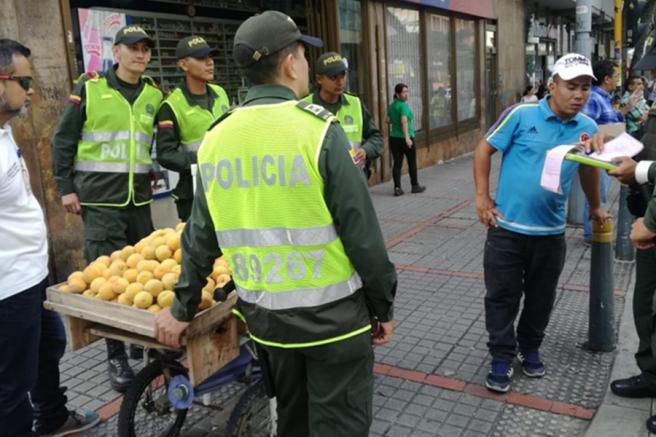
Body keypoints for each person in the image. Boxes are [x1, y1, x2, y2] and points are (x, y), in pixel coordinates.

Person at [153, 11, 397, 437]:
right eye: (302, 55)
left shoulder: (216, 139)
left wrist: (182, 308)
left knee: (292, 422)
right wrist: (383, 305)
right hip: (335, 324)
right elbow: (362, 236)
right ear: (289, 63)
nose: (304, 64)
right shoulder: (318, 132)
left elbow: (199, 238)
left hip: (268, 327)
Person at [473, 53, 609, 393]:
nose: (579, 95)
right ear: (552, 86)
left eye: (585, 88)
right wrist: (482, 198)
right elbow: (483, 149)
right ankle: (501, 357)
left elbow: (589, 170)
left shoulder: (587, 128)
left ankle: (529, 347)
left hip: (550, 234)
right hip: (506, 231)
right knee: (502, 297)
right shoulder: (521, 114)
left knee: (541, 298)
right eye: (571, 86)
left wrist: (595, 206)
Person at [52, 25, 164, 392]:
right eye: (133, 48)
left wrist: (153, 170)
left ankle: (140, 340)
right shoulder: (90, 88)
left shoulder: (153, 93)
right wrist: (66, 188)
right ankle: (115, 355)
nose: (141, 54)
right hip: (100, 201)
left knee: (143, 274)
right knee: (106, 278)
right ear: (116, 52)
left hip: (139, 201)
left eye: (146, 49)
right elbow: (64, 139)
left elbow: (148, 143)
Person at [0, 38, 99, 437]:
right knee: (11, 385)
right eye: (24, 82)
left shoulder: (5, 130)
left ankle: (53, 417)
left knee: (48, 348)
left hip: (30, 274)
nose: (31, 91)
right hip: (8, 288)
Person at [156, 36, 230, 221]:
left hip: (228, 183)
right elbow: (165, 154)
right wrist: (200, 159)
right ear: (183, 64)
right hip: (195, 192)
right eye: (201, 58)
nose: (210, 63)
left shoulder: (220, 93)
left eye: (210, 57)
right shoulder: (172, 105)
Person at [301, 51, 383, 181]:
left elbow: (376, 137)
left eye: (343, 75)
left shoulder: (355, 104)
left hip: (352, 180)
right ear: (319, 79)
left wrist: (365, 150)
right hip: (318, 182)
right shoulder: (304, 106)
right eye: (333, 77)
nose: (340, 82)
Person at [387, 83, 425, 196]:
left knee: (397, 163)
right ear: (397, 94)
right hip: (406, 138)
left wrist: (395, 122)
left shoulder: (392, 105)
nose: (406, 94)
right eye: (404, 92)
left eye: (407, 92)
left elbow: (387, 120)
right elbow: (404, 121)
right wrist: (407, 138)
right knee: (411, 162)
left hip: (394, 138)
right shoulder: (403, 106)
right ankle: (415, 186)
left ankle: (397, 188)